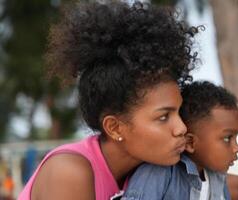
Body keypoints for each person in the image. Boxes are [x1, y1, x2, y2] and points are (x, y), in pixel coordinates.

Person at [18, 1, 201, 199]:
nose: (181, 128)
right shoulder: (69, 171)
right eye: (163, 117)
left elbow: (234, 185)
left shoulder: (153, 168)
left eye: (178, 112)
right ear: (114, 128)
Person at [122, 81, 238, 200]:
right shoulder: (158, 173)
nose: (237, 148)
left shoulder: (214, 178)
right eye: (227, 138)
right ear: (190, 143)